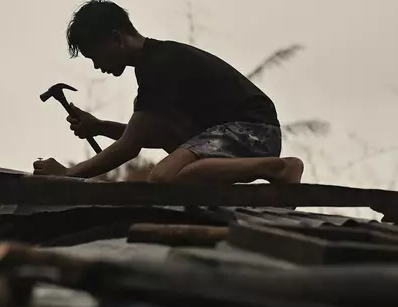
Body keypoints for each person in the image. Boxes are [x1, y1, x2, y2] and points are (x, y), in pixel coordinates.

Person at [33, 0, 304, 184]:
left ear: (116, 38)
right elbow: (145, 133)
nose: (96, 65)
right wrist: (99, 127)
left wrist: (67, 174)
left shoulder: (158, 65)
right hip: (233, 134)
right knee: (172, 155)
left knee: (163, 177)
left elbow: (127, 148)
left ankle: (278, 168)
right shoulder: (153, 63)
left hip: (253, 131)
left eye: (95, 55)